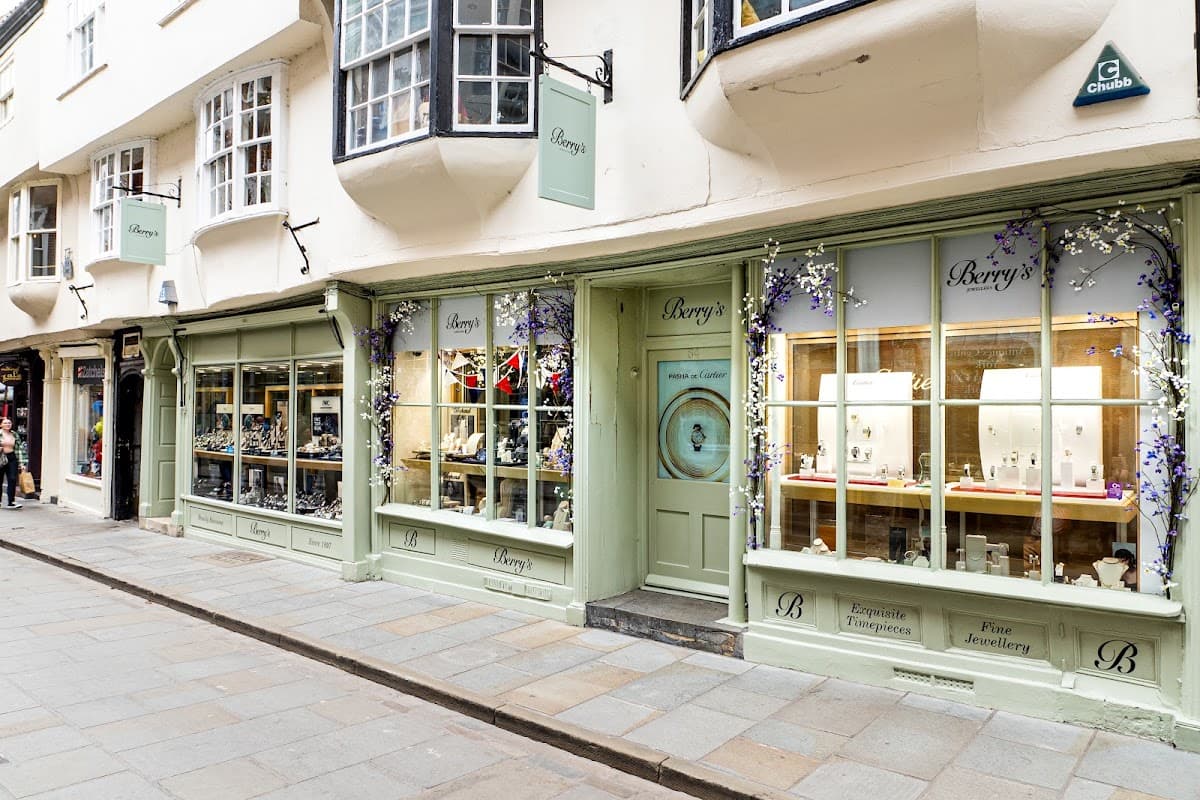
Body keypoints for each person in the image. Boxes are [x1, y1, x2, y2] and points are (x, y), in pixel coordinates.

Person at [0, 417, 27, 509]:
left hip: (12, 458)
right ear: (1, 425)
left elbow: (20, 449)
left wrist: (22, 463)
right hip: (1, 458)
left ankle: (11, 502)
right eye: (5, 423)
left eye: (9, 423)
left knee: (12, 479)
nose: (8, 424)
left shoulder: (14, 434)